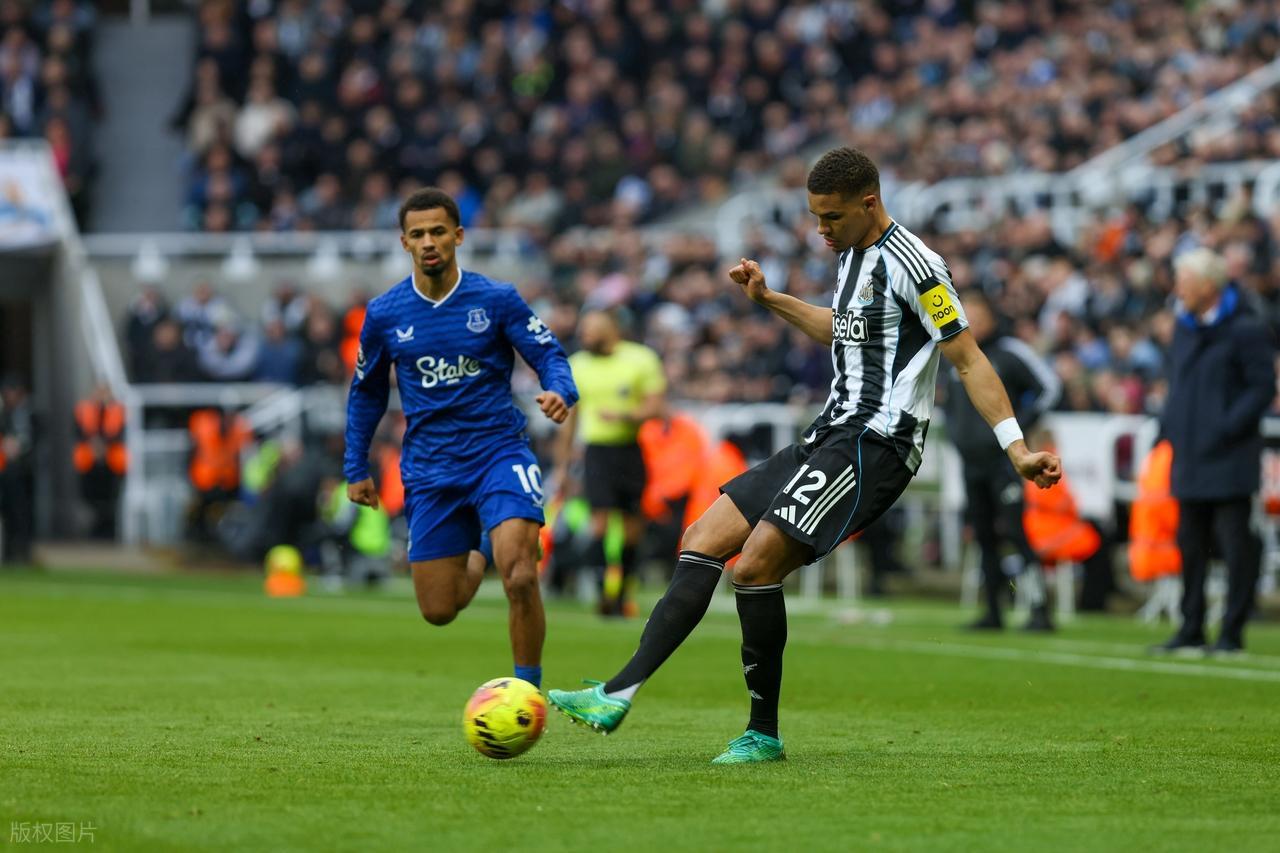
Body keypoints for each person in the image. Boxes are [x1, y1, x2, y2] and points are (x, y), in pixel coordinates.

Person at [548, 147, 1061, 763]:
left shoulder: (918, 267)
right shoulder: (850, 256)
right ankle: (617, 692)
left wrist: (1017, 448)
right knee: (702, 538)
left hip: (877, 444)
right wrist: (770, 298)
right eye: (816, 217)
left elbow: (969, 359)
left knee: (754, 566)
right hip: (828, 433)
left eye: (832, 217)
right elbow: (840, 328)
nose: (821, 230)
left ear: (870, 203)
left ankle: (762, 733)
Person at [343, 187, 577, 689]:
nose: (429, 242)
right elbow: (366, 392)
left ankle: (527, 694)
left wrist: (560, 389)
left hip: (498, 452)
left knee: (520, 575)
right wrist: (355, 466)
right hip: (431, 468)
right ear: (404, 242)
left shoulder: (496, 299)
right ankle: (482, 546)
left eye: (438, 231)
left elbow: (548, 353)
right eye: (418, 234)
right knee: (439, 609)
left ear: (459, 235)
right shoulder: (385, 313)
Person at [1152, 247, 1275, 655]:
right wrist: (1168, 429)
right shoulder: (1184, 328)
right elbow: (1177, 385)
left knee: (1235, 547)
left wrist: (1225, 427)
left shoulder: (1246, 328)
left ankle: (1231, 632)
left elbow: (1262, 388)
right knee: (1190, 546)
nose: (1178, 290)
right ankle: (1191, 627)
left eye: (1185, 282)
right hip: (1189, 456)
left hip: (1230, 457)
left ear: (1208, 286)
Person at [944, 290, 1061, 631]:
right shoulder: (955, 353)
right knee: (983, 536)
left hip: (1004, 462)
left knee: (1015, 532)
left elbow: (1049, 388)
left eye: (978, 317)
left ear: (992, 318)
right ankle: (993, 611)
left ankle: (1039, 609)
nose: (972, 323)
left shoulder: (1009, 352)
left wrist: (1016, 431)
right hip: (971, 463)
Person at [556, 310, 666, 616]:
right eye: (584, 328)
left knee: (632, 528)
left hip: (630, 449)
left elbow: (656, 406)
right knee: (600, 522)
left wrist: (626, 415)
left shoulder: (640, 359)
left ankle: (623, 593)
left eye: (592, 328)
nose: (585, 333)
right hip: (596, 452)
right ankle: (603, 592)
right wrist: (563, 465)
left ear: (612, 329)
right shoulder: (577, 364)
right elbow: (570, 418)